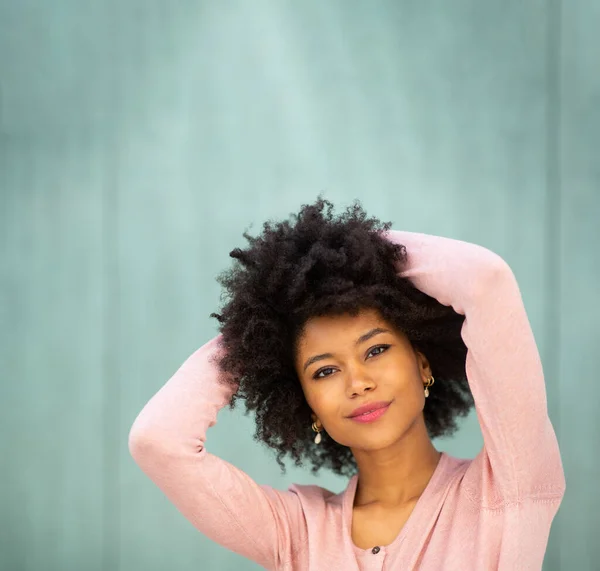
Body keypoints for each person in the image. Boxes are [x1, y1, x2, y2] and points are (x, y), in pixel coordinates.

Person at [128, 198, 565, 570]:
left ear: (422, 362)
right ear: (306, 403)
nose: (358, 383)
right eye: (324, 371)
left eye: (376, 350)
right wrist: (255, 325)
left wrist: (354, 255)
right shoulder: (297, 532)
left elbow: (485, 279)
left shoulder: (509, 489)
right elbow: (157, 440)